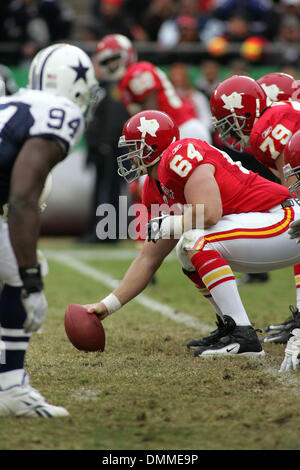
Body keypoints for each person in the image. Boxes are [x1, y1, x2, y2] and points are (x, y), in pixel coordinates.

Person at [83, 109, 300, 359]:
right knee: (186, 250)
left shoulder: (180, 154)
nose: (130, 157)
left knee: (195, 240)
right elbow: (148, 258)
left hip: (286, 222)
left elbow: (209, 213)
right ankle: (231, 327)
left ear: (151, 147)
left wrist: (171, 224)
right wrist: (106, 305)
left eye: (134, 148)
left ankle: (244, 337)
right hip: (263, 229)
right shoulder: (155, 189)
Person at [0, 43, 99, 417]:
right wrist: (31, 282)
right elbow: (23, 198)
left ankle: (10, 386)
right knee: (25, 278)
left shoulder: (14, 103)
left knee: (15, 273)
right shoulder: (59, 113)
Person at [210, 73, 300, 344]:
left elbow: (293, 176)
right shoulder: (276, 116)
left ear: (245, 112)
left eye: (229, 123)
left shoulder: (267, 127)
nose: (228, 132)